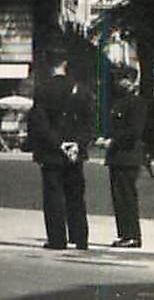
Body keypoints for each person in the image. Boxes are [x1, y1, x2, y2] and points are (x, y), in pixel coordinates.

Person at [28, 56, 92, 249]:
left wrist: (58, 144)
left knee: (54, 196)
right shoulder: (81, 90)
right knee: (76, 195)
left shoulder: (43, 90)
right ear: (65, 64)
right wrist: (77, 144)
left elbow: (40, 123)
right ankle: (80, 237)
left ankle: (57, 239)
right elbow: (88, 123)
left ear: (49, 66)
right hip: (75, 152)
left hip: (52, 152)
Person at [97, 70, 147, 248]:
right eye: (120, 79)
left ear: (133, 82)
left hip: (128, 156)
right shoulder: (119, 102)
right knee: (118, 197)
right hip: (118, 157)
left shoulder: (136, 103)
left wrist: (113, 140)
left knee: (127, 197)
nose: (121, 83)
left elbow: (134, 131)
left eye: (125, 80)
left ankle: (132, 235)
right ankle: (124, 233)